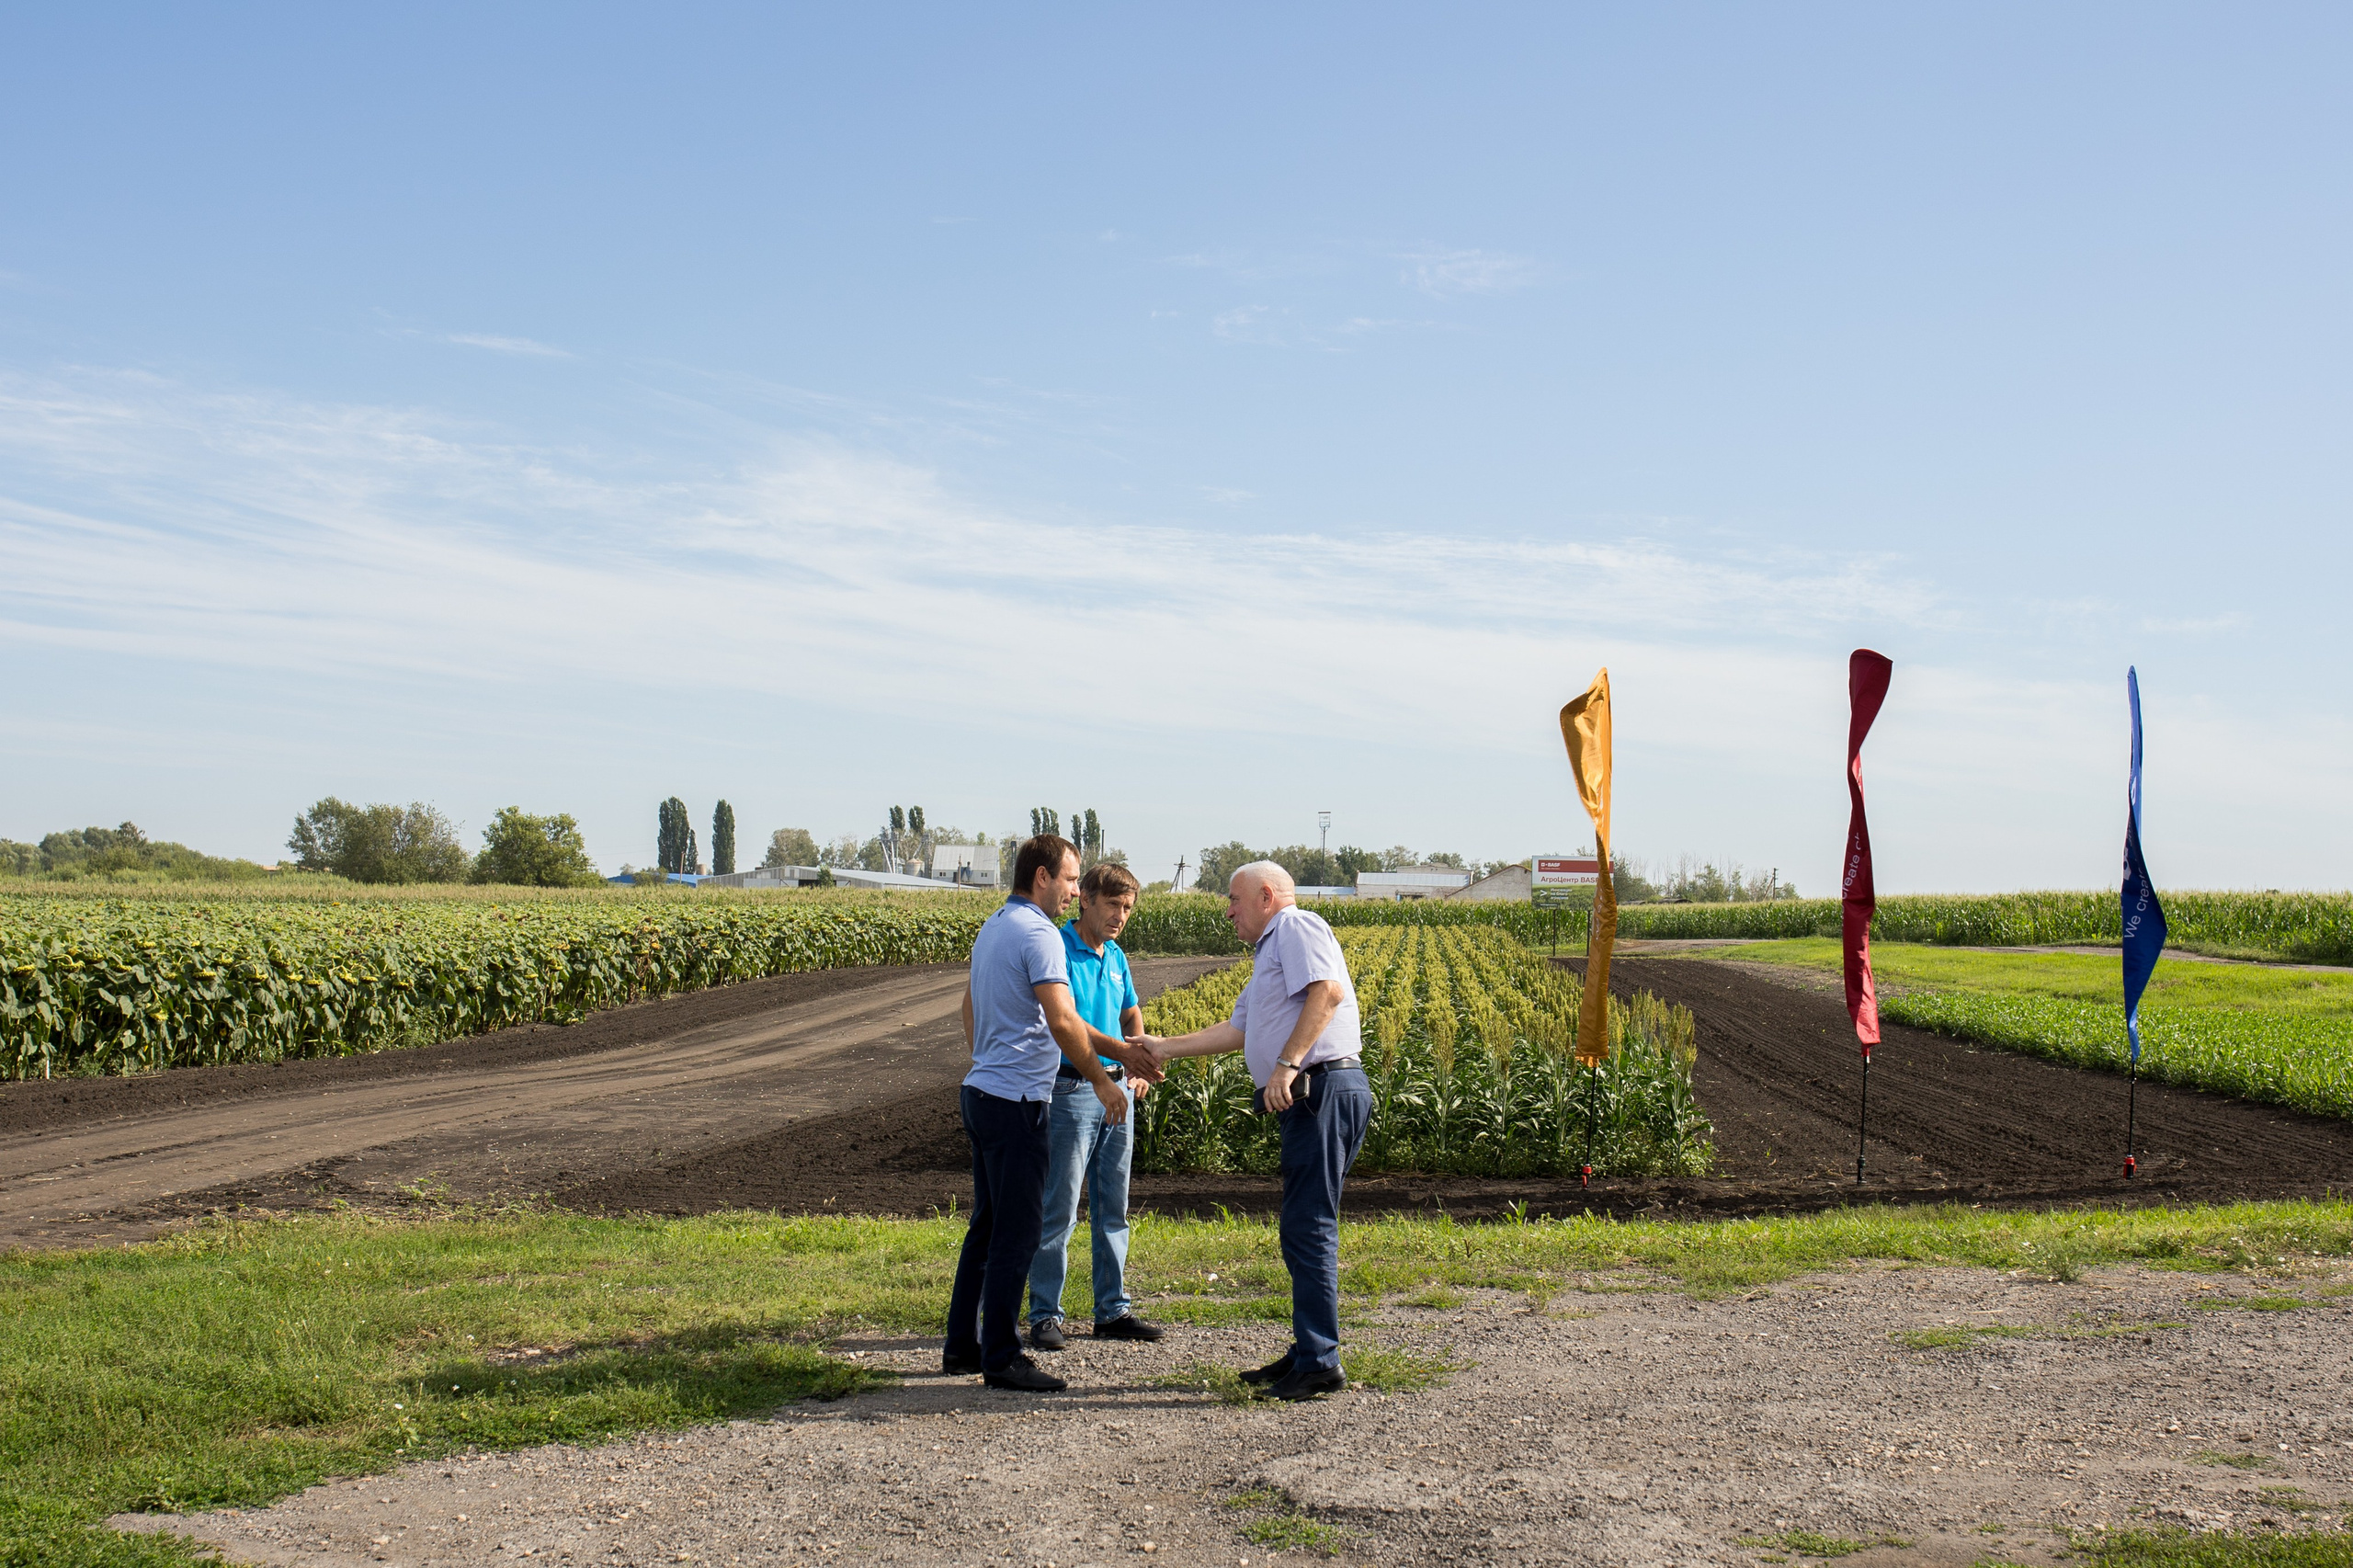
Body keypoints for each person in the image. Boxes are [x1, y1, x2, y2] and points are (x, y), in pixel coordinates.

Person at [1134, 861, 1370, 1401]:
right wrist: (1163, 1047)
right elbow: (1239, 1029)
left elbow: (1328, 992)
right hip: (1312, 1094)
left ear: (1267, 896)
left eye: (1234, 899)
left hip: (1319, 1089)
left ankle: (1320, 1362)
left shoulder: (1296, 925)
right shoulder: (1270, 950)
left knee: (1309, 1225)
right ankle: (1308, 1350)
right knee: (1301, 1225)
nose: (1228, 912)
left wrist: (1286, 1064)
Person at [945, 834, 1158, 1392]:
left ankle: (962, 1347)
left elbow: (970, 1005)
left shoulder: (995, 926)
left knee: (986, 1227)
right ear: (1041, 876)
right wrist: (1103, 1081)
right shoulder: (1040, 933)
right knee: (1018, 1232)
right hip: (1017, 1102)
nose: (1072, 890)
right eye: (1069, 879)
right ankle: (1002, 1356)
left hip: (983, 1092)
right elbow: (1064, 1022)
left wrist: (988, 1058)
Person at [1026, 861, 1166, 1350]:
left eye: (1127, 908)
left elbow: (1131, 1012)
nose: (1120, 916)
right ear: (1084, 899)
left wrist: (1136, 1062)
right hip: (1071, 1090)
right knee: (1059, 1208)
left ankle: (1112, 1310)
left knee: (1113, 1207)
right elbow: (1067, 1021)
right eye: (1112, 905)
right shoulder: (1059, 948)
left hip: (1117, 1090)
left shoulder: (1117, 955)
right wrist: (1124, 1054)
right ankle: (1045, 1314)